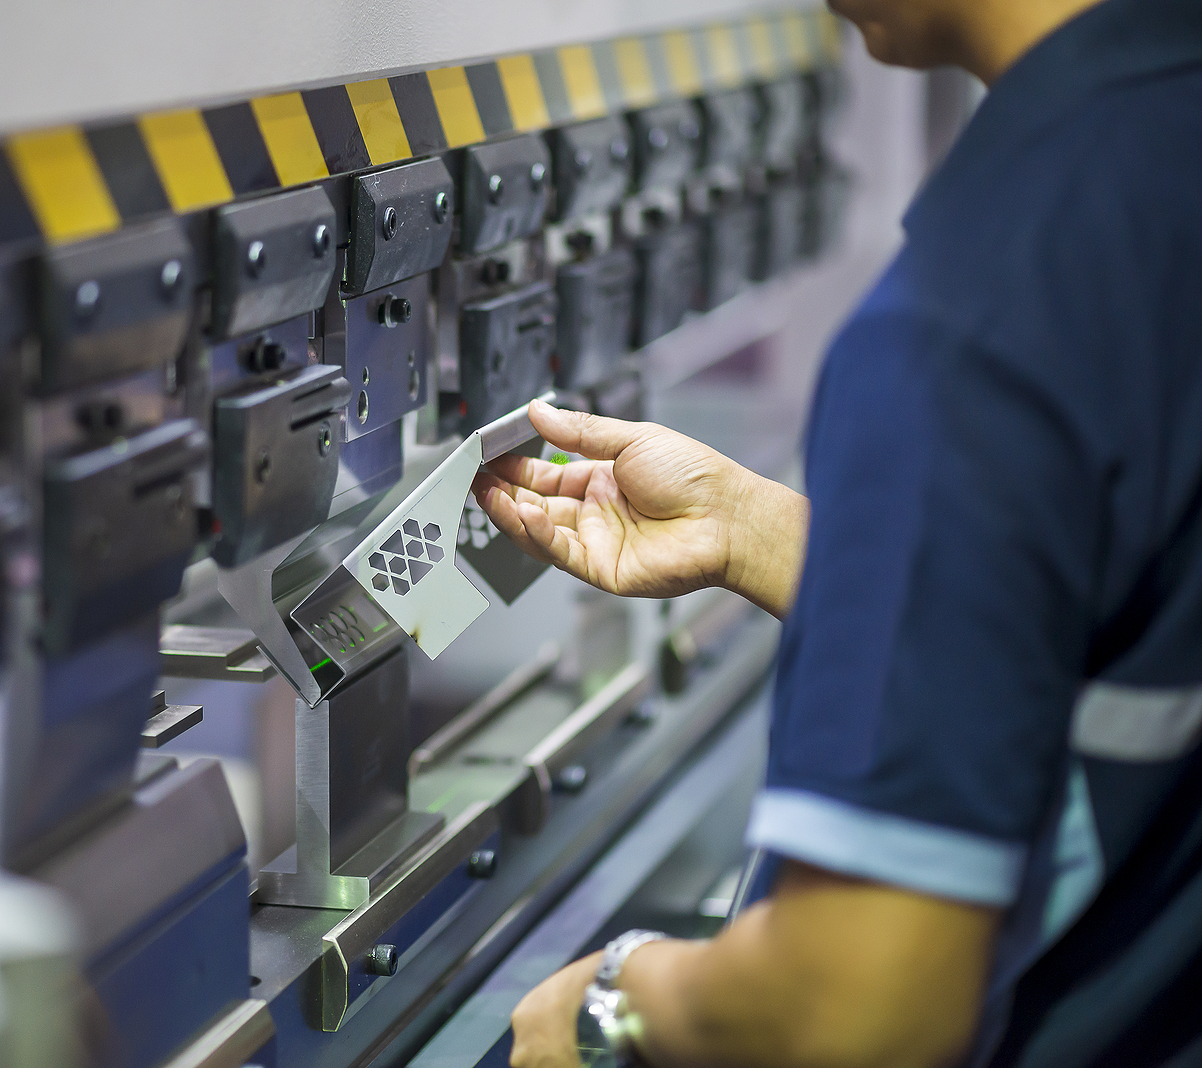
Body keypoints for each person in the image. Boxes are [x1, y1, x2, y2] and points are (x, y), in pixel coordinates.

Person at [471, 0, 1202, 1064]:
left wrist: (611, 1004)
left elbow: (855, 1005)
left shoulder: (970, 317)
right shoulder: (1154, 160)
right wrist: (764, 532)